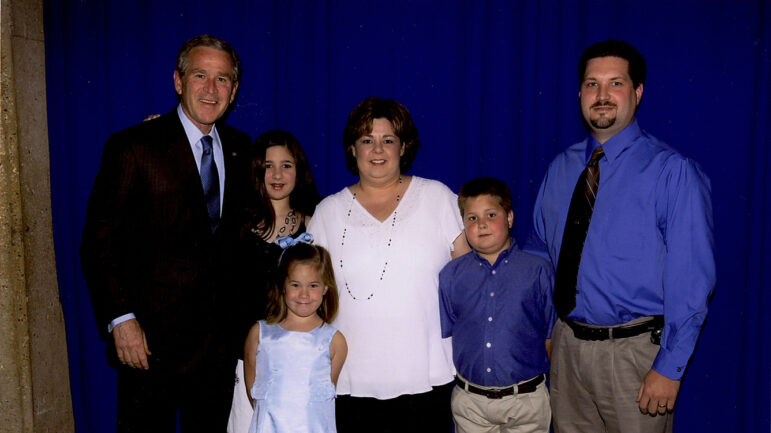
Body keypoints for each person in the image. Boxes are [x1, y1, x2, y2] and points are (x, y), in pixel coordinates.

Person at [527, 40, 715, 433]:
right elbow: (540, 258)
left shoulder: (672, 172)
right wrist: (547, 331)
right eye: (592, 84)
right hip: (566, 354)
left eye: (615, 83)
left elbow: (692, 280)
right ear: (580, 93)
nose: (602, 96)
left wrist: (670, 366)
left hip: (635, 359)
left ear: (637, 92)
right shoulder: (560, 170)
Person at [80, 34, 252, 432]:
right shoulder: (134, 147)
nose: (211, 89)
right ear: (178, 81)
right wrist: (121, 319)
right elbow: (98, 242)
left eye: (222, 79)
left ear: (235, 89)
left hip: (217, 350)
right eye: (200, 76)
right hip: (148, 345)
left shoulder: (243, 149)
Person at [307, 96, 471, 432]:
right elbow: (306, 296)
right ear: (352, 149)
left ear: (404, 147)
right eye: (367, 140)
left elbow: (475, 279)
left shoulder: (438, 198)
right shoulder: (327, 212)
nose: (378, 150)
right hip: (349, 383)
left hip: (427, 380)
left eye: (388, 140)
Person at [439, 177, 555, 433]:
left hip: (526, 401)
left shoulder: (538, 271)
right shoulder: (450, 276)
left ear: (510, 218)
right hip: (471, 404)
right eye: (471, 218)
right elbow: (450, 335)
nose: (481, 224)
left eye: (491, 214)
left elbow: (550, 336)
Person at [228, 130, 320, 433]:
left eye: (286, 165)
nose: (277, 174)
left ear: (299, 170)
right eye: (268, 166)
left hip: (300, 361)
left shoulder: (316, 225)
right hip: (245, 362)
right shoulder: (235, 225)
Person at [244, 239, 348, 433]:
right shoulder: (260, 334)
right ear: (282, 285)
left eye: (313, 286)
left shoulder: (334, 341)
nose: (304, 294)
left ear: (326, 288)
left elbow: (323, 398)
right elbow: (253, 393)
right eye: (295, 285)